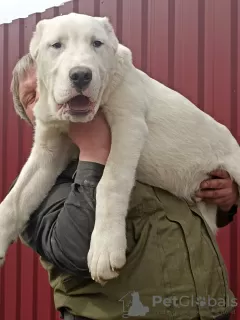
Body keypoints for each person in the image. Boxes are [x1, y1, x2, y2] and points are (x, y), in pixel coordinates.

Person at [9, 53, 239, 320]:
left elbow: (187, 214)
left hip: (209, 309)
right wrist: (93, 154)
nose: (46, 97)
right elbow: (72, 255)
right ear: (28, 119)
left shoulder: (147, 148)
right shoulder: (36, 187)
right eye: (31, 96)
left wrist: (226, 199)